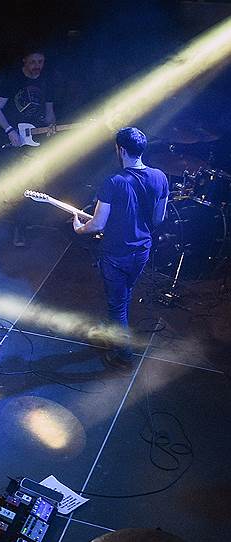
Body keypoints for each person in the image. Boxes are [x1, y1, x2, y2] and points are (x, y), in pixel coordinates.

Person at [73, 127, 168, 367]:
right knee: (124, 294)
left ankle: (123, 354)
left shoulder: (113, 182)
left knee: (117, 304)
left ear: (121, 150)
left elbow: (97, 225)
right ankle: (116, 327)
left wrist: (79, 227)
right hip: (142, 250)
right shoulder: (160, 177)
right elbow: (159, 218)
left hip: (116, 253)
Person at [0, 48, 57, 246]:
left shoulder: (47, 81)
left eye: (41, 61)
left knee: (37, 185)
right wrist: (10, 130)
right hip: (15, 142)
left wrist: (51, 125)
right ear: (24, 61)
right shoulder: (12, 80)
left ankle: (27, 225)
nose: (38, 66)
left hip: (35, 141)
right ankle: (17, 229)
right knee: (21, 186)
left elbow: (49, 112)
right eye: (34, 61)